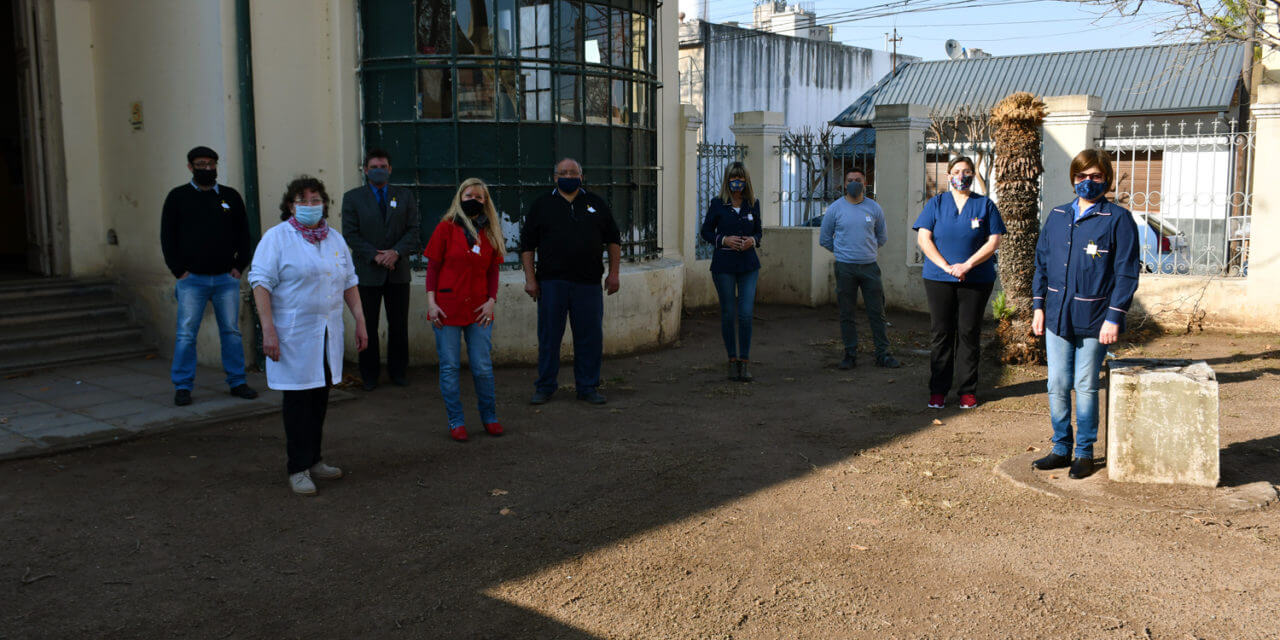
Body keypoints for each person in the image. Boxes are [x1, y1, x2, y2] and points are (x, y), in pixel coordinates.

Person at [248, 176, 369, 496]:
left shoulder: (335, 240)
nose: (310, 206)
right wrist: (268, 329)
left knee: (319, 398)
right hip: (293, 335)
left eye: (316, 200)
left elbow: (349, 282)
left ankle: (314, 459)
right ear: (290, 205)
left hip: (327, 334)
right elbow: (260, 283)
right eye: (303, 201)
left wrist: (360, 320)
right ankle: (297, 467)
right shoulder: (276, 238)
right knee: (298, 401)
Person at [1031, 149, 1140, 480]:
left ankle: (1084, 452)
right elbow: (1042, 264)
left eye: (1095, 176)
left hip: (1095, 318)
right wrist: (1038, 307)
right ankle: (1061, 447)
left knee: (1085, 384)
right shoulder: (1058, 215)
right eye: (1081, 176)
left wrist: (1114, 317)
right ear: (1073, 178)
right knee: (1057, 383)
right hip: (1057, 315)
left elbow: (1126, 273)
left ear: (1105, 178)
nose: (1087, 182)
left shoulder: (1118, 220)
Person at [160, 145, 258, 406]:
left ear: (216, 166)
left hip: (226, 278)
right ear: (190, 167)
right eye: (200, 164)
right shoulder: (177, 197)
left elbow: (243, 234)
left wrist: (240, 266)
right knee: (186, 334)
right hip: (191, 280)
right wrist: (178, 270)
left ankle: (237, 381)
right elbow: (167, 237)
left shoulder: (230, 197)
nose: (206, 169)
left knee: (231, 332)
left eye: (211, 164)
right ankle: (182, 386)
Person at [520, 158, 622, 405]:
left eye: (573, 172)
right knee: (549, 337)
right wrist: (530, 280)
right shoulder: (542, 205)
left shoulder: (595, 203)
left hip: (587, 284)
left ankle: (587, 387)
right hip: (551, 284)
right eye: (563, 172)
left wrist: (614, 274)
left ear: (581, 176)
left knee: (590, 338)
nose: (568, 175)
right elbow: (527, 246)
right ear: (555, 177)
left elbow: (614, 240)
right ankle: (545, 386)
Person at [913, 156, 1006, 410]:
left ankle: (967, 391)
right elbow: (924, 238)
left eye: (966, 171)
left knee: (968, 333)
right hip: (938, 278)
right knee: (941, 334)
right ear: (948, 175)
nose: (961, 175)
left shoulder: (985, 205)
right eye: (956, 171)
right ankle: (938, 391)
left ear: (973, 175)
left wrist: (967, 265)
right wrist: (945, 266)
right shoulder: (936, 203)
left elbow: (993, 241)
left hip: (976, 279)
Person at [424, 179, 506, 442]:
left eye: (480, 197)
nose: (474, 199)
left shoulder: (490, 231)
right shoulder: (445, 228)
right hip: (447, 309)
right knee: (449, 367)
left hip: (481, 309)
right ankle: (456, 422)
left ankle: (490, 417)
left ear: (486, 202)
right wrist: (431, 303)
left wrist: (492, 300)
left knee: (482, 366)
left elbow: (493, 270)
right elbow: (433, 268)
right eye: (469, 195)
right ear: (459, 198)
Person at [340, 149, 420, 391]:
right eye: (374, 166)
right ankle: (370, 374)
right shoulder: (353, 198)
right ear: (365, 170)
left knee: (399, 325)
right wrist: (376, 256)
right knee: (368, 324)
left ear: (390, 169)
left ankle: (398, 372)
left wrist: (395, 252)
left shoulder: (404, 196)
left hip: (398, 271)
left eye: (383, 166)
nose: (379, 170)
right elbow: (351, 234)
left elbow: (414, 231)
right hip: (367, 273)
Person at [819, 169, 901, 370]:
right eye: (850, 180)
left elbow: (881, 237)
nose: (854, 183)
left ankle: (882, 354)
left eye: (858, 180)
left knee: (877, 313)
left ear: (865, 183)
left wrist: (866, 251)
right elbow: (825, 238)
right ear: (844, 184)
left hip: (870, 268)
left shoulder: (874, 208)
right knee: (847, 313)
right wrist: (843, 253)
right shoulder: (835, 209)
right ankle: (850, 354)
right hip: (845, 268)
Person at [699, 161, 763, 382]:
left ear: (746, 181)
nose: (737, 182)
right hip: (724, 265)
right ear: (727, 180)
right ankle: (731, 360)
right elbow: (705, 231)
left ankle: (744, 362)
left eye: (741, 178)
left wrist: (752, 241)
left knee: (745, 313)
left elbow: (759, 233)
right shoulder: (718, 204)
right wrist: (723, 239)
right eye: (733, 178)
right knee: (728, 313)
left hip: (748, 266)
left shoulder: (753, 204)